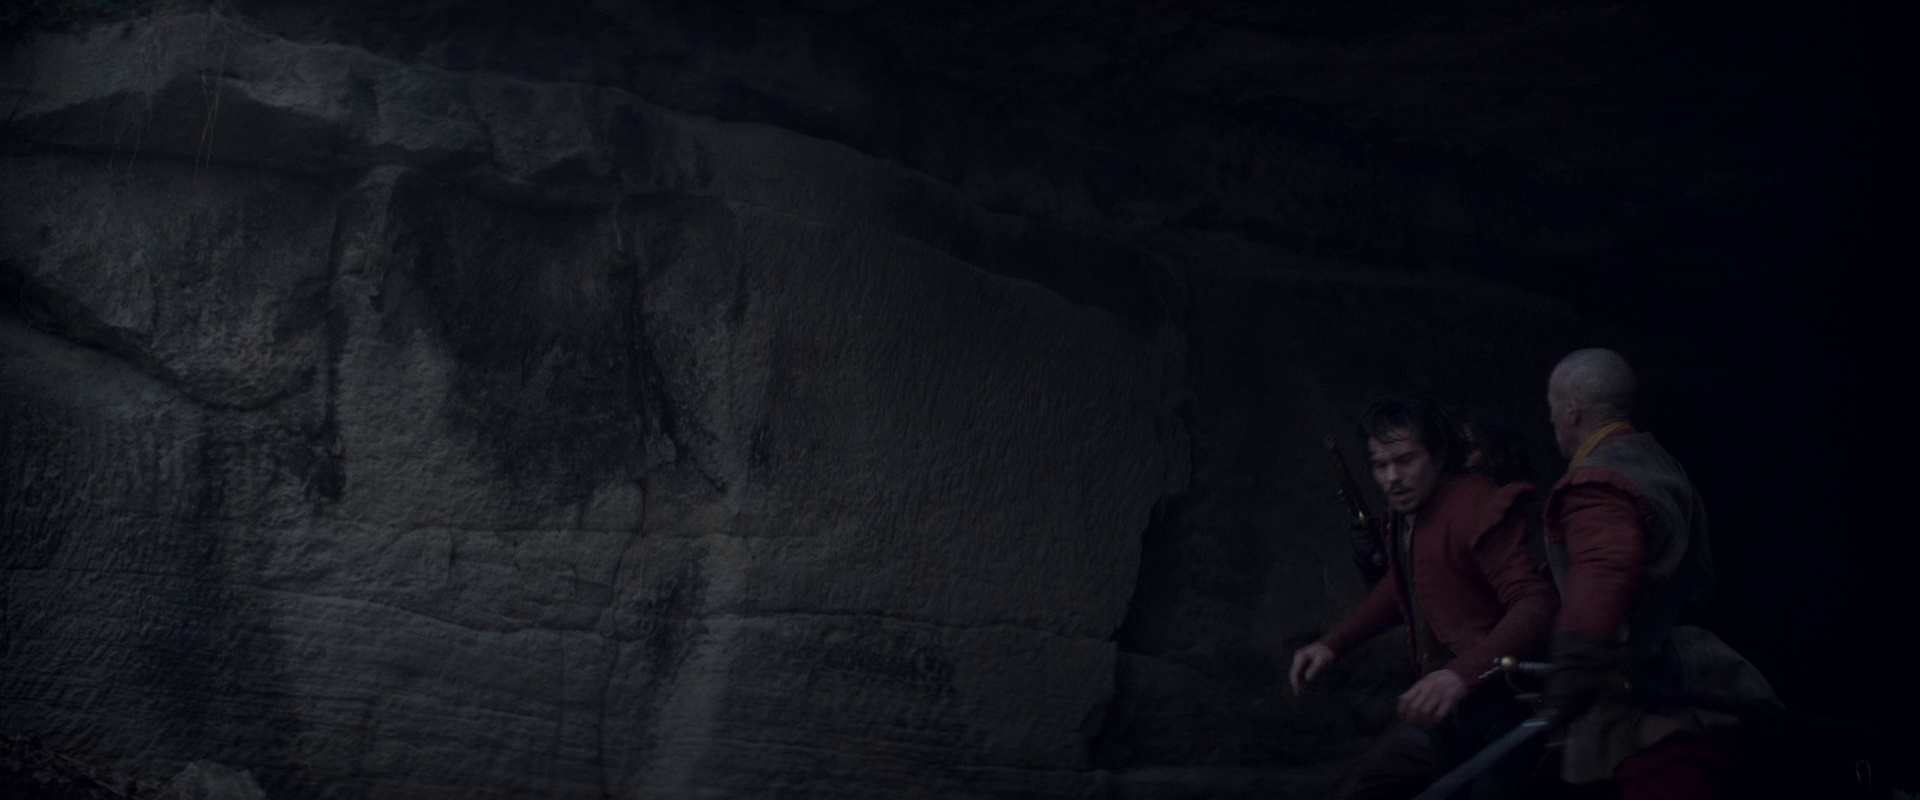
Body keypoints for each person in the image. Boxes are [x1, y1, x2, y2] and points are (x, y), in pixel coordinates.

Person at [1292, 397, 1558, 799]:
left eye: (1405, 461)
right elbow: (1399, 587)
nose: (1392, 478)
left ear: (1437, 457)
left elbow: (1535, 603)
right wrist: (1333, 643)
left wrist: (1460, 675)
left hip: (1504, 700)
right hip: (1448, 707)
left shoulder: (1477, 504)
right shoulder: (1409, 514)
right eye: (1380, 465)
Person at [1539, 348, 1775, 798]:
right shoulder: (1656, 462)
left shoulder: (1598, 481)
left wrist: (1575, 657)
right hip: (1695, 676)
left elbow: (1605, 568)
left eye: (1552, 409)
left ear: (1570, 412)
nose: (1551, 421)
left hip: (1650, 698)